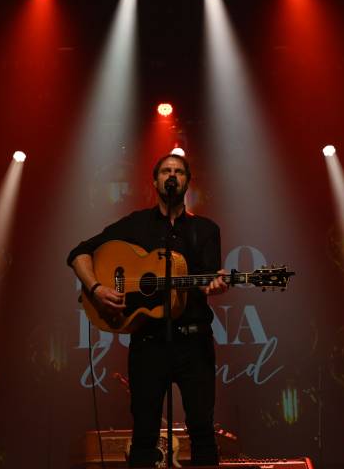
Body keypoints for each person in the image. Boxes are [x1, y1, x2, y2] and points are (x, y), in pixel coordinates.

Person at [68, 154, 228, 467]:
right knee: (144, 433)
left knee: (202, 431)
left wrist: (216, 285)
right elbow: (79, 253)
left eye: (179, 171)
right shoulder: (136, 224)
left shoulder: (206, 230)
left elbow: (208, 278)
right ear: (155, 181)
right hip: (148, 342)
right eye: (166, 171)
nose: (173, 175)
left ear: (187, 181)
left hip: (194, 343)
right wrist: (97, 289)